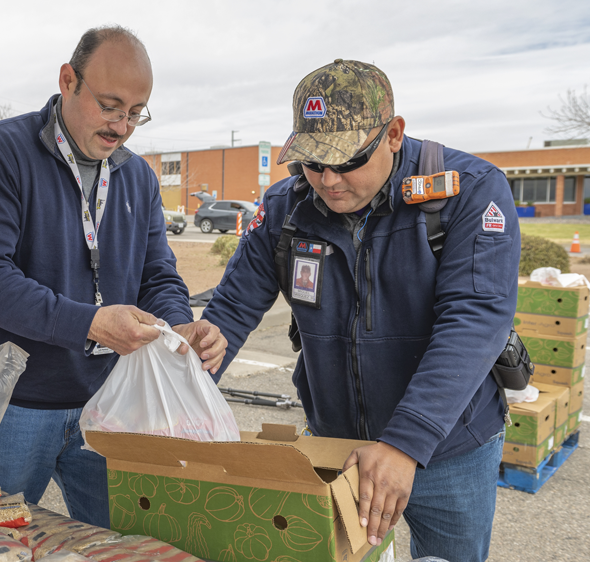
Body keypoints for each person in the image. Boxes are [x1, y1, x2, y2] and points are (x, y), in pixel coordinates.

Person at [202, 59, 520, 562]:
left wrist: (404, 445)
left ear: (393, 134)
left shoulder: (469, 192)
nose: (327, 180)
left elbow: (475, 319)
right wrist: (187, 389)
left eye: (347, 162)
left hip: (448, 449)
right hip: (337, 445)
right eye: (312, 162)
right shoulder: (286, 206)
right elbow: (234, 307)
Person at [0, 26, 227, 528]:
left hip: (112, 407)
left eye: (136, 112)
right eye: (110, 105)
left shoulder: (137, 176)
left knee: (127, 543)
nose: (122, 126)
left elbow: (157, 273)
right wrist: (90, 324)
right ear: (68, 80)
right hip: (9, 409)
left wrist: (180, 324)